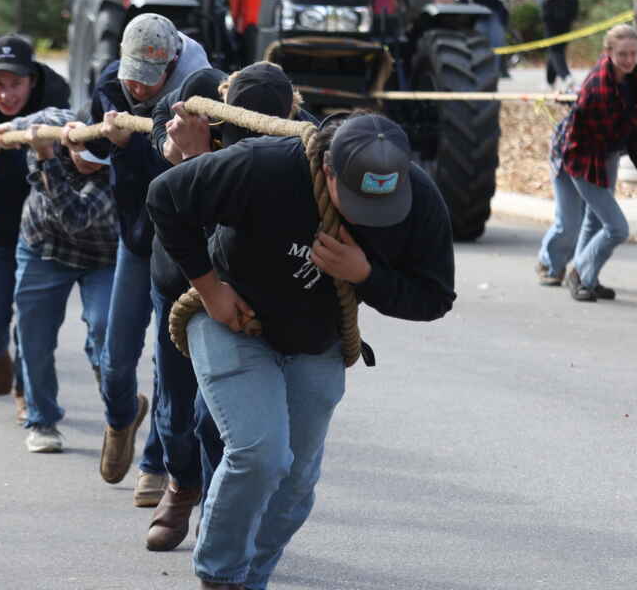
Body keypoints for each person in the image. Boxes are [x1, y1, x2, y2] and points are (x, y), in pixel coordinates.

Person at [148, 112, 455, 590]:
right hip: (233, 319)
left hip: (316, 340)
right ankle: (220, 573)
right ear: (329, 170)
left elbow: (435, 297)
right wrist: (210, 290)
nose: (362, 216)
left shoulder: (420, 199)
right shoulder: (263, 166)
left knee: (295, 486)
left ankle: (250, 578)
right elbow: (165, 196)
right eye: (353, 200)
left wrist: (366, 276)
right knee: (260, 452)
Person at [141, 62, 319, 552]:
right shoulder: (200, 94)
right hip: (181, 279)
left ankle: (221, 510)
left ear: (285, 115)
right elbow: (160, 120)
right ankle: (181, 484)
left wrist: (200, 160)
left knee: (214, 416)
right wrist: (176, 150)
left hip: (245, 289)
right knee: (175, 409)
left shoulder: (302, 142)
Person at [68, 12, 211, 501]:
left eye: (149, 81)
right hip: (133, 235)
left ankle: (156, 462)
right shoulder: (111, 83)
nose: (138, 88)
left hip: (180, 240)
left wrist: (149, 144)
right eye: (132, 76)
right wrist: (97, 144)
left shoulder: (200, 88)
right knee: (114, 345)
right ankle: (120, 417)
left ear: (171, 65)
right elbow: (86, 161)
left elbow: (202, 168)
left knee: (171, 359)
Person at [0, 107, 132, 455]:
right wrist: (0, 133)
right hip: (41, 246)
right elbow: (25, 124)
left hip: (102, 257)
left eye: (98, 156)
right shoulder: (56, 125)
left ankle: (115, 400)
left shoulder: (115, 176)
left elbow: (76, 218)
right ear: (71, 135)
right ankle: (42, 419)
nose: (90, 162)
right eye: (84, 152)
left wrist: (45, 160)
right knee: (34, 336)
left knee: (105, 329)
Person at [0, 35, 70, 413]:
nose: (6, 95)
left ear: (32, 81)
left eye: (16, 85)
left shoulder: (55, 98)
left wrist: (25, 139)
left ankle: (26, 392)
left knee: (30, 325)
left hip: (39, 232)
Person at [535, 24, 637, 303]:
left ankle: (586, 277)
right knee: (613, 227)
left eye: (633, 53)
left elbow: (616, 133)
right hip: (578, 155)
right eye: (622, 54)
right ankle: (560, 267)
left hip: (603, 152)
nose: (629, 60)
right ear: (608, 53)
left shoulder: (627, 77)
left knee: (594, 220)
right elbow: (614, 131)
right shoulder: (598, 86)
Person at [540, 0, 578, 89]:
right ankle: (566, 76)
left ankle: (550, 80)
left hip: (565, 21)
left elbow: (574, 3)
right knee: (555, 50)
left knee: (556, 51)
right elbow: (546, 2)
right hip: (551, 22)